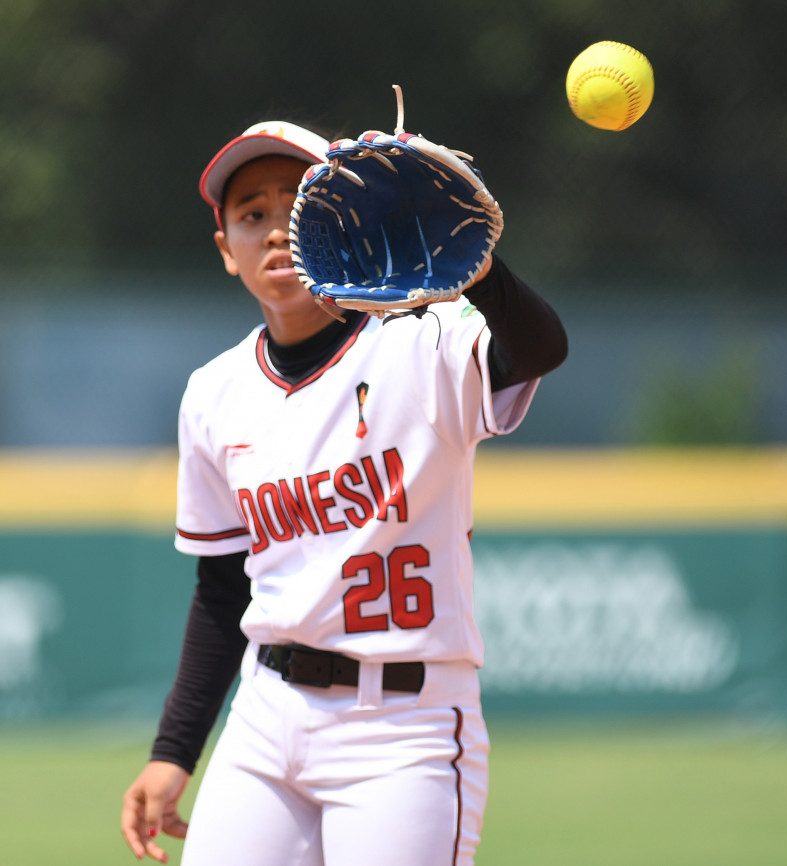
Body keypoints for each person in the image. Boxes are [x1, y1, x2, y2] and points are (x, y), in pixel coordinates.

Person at [121, 118, 568, 866]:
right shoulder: (214, 394)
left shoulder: (420, 342)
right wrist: (175, 751)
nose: (270, 231)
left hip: (403, 727)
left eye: (295, 204)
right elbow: (226, 585)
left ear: (340, 217)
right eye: (250, 214)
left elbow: (539, 349)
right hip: (266, 716)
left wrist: (480, 273)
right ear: (225, 250)